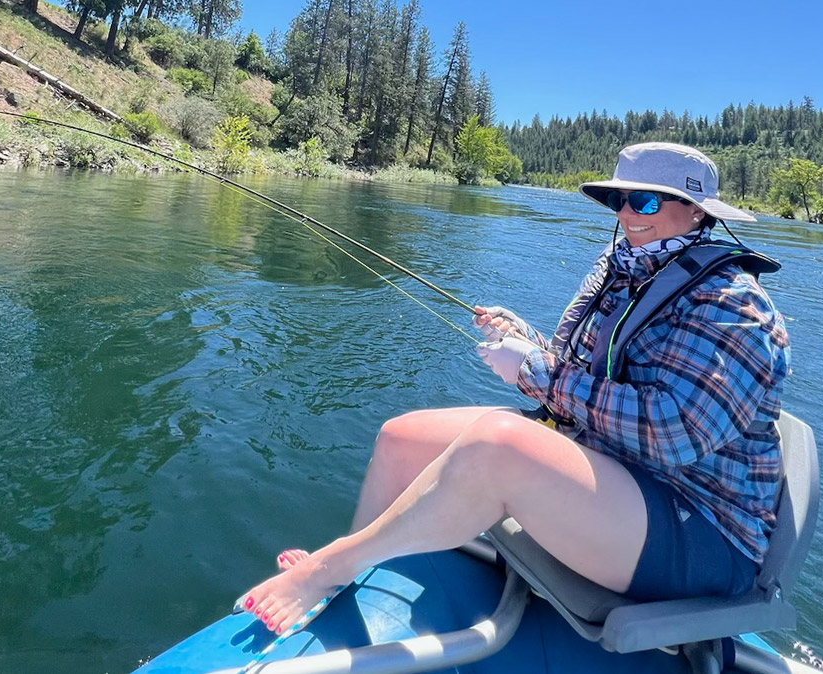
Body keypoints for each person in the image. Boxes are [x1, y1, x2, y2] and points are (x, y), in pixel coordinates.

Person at [239, 142, 791, 636]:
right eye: (618, 200)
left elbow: (676, 433)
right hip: (613, 463)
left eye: (644, 201)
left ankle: (329, 565)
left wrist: (536, 372)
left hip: (701, 528)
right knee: (399, 437)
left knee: (497, 444)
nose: (626, 215)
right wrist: (524, 340)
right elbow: (580, 369)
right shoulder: (620, 269)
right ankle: (356, 568)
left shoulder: (733, 306)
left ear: (695, 209)